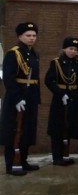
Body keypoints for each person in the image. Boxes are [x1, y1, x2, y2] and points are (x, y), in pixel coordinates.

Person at [2, 22, 42, 176]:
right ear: (20, 36)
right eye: (28, 35)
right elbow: (9, 78)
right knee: (14, 130)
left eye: (34, 35)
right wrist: (17, 98)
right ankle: (11, 163)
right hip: (16, 97)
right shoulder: (14, 53)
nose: (32, 38)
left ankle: (23, 160)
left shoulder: (33, 54)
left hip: (30, 96)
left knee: (26, 130)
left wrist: (35, 98)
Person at [44, 36, 78, 166]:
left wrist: (76, 94)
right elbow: (49, 80)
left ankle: (65, 155)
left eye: (75, 49)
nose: (72, 51)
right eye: (70, 48)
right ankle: (57, 157)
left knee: (68, 126)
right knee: (58, 128)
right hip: (60, 99)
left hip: (73, 97)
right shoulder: (56, 63)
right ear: (64, 49)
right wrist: (61, 94)